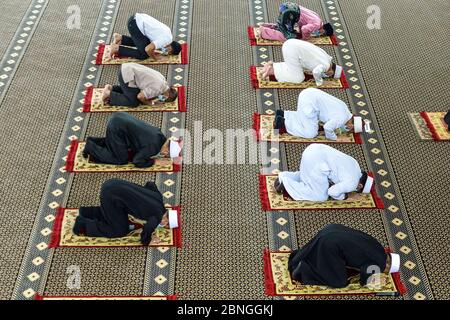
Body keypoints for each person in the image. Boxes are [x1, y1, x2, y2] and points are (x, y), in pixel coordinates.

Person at [288, 224, 401, 288]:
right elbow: (366, 276)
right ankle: (304, 270)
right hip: (331, 244)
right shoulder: (379, 264)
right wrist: (366, 282)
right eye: (386, 271)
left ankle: (299, 258)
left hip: (332, 229)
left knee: (317, 248)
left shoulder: (379, 247)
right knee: (339, 282)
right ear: (388, 266)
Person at [73, 179, 174, 245]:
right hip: (110, 195)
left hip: (113, 183)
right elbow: (148, 228)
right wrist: (148, 240)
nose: (163, 225)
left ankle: (86, 212)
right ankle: (82, 225)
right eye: (165, 225)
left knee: (119, 217)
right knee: (119, 230)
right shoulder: (157, 216)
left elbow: (150, 184)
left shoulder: (159, 198)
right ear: (166, 220)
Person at [274, 144, 373, 201]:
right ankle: (287, 183)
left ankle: (284, 176)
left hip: (311, 149)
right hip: (316, 162)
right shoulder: (353, 183)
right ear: (359, 186)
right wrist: (346, 196)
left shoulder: (355, 164)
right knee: (321, 196)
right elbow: (332, 192)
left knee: (308, 176)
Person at [82, 112, 182, 168]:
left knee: (119, 146)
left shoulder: (160, 134)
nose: (164, 156)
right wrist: (154, 162)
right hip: (116, 127)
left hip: (119, 116)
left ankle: (93, 140)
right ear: (166, 150)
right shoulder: (154, 147)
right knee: (121, 159)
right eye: (166, 155)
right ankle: (91, 147)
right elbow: (137, 161)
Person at [274, 88, 363, 140]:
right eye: (351, 129)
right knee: (311, 133)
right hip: (309, 104)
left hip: (307, 92)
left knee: (305, 118)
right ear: (351, 126)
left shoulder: (345, 107)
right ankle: (283, 123)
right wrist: (334, 137)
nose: (349, 130)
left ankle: (284, 114)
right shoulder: (342, 119)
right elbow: (327, 127)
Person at [260, 39, 342, 86]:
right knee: (299, 78)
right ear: (331, 72)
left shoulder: (327, 57)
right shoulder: (326, 66)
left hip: (290, 43)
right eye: (329, 75)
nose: (326, 75)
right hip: (291, 51)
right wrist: (321, 82)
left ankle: (272, 65)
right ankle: (272, 70)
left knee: (296, 67)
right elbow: (316, 72)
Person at [108, 13, 182, 61]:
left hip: (137, 18)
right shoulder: (164, 41)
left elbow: (151, 45)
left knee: (144, 44)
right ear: (171, 47)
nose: (166, 52)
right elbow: (148, 49)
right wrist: (156, 58)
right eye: (169, 51)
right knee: (144, 54)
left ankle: (121, 38)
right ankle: (117, 48)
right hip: (135, 25)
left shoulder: (169, 36)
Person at [102, 63, 178, 107]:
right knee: (134, 102)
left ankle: (111, 88)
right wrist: (151, 103)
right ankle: (109, 94)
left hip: (128, 67)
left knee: (134, 92)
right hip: (126, 74)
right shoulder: (158, 89)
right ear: (168, 95)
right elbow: (140, 97)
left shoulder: (163, 81)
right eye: (165, 99)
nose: (162, 99)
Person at [260, 4, 333, 42]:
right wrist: (305, 38)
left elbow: (303, 23)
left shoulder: (318, 18)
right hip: (291, 13)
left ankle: (267, 26)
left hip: (290, 8)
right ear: (324, 30)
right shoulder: (317, 25)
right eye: (323, 33)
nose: (321, 34)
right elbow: (304, 29)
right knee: (288, 37)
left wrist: (299, 32)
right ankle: (264, 32)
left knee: (285, 27)